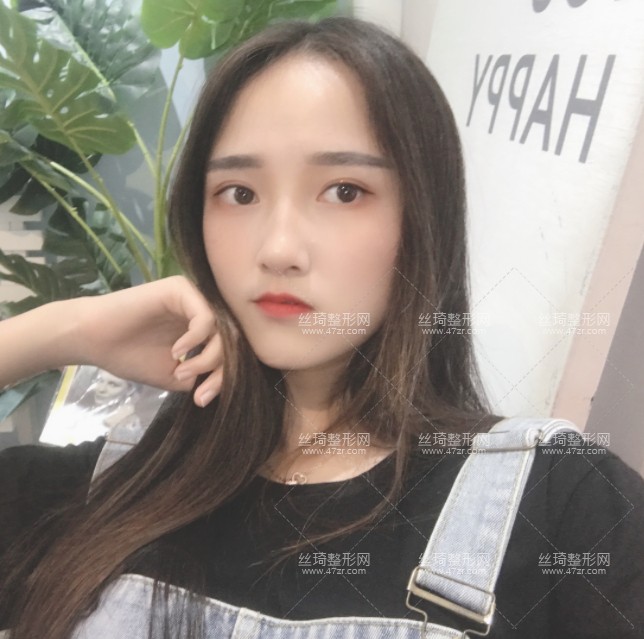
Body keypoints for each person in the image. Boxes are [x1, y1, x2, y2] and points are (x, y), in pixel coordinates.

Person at [0, 16, 642, 639]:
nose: (278, 249)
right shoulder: (121, 481)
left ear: (423, 217)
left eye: (343, 191)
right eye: (239, 193)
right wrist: (67, 329)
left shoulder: (560, 503)